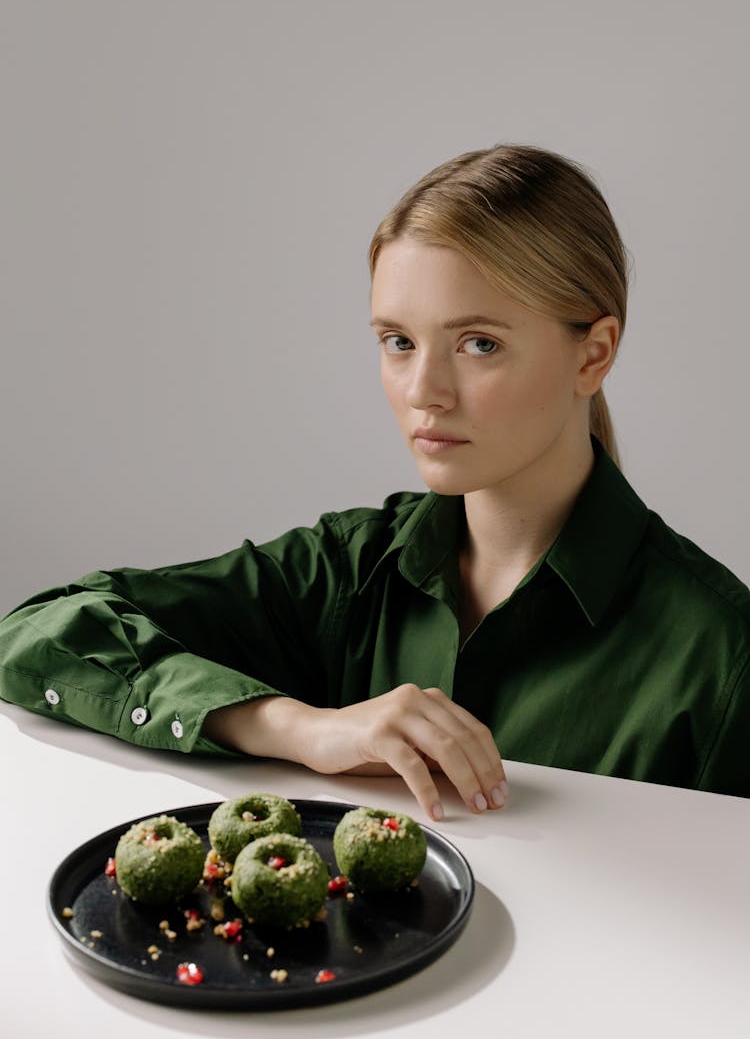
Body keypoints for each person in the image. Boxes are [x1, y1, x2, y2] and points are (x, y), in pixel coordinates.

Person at [1, 143, 749, 819]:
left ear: (594, 353)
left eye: (478, 343)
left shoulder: (722, 657)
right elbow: (34, 635)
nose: (426, 389)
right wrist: (301, 727)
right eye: (398, 341)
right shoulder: (347, 572)